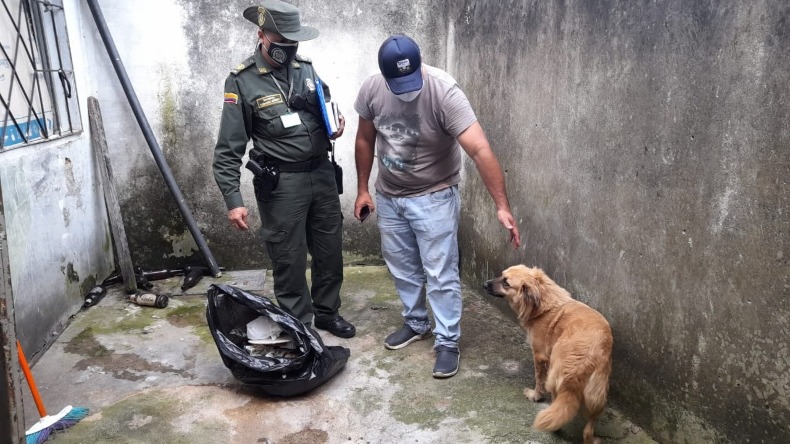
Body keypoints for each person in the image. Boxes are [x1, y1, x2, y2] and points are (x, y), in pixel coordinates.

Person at [353, 34, 521, 378]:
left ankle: (447, 342)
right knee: (401, 266)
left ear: (419, 66)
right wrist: (362, 190)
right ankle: (416, 323)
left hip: (434, 196)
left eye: (410, 79)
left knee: (440, 274)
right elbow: (364, 138)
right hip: (389, 195)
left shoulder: (444, 92)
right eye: (398, 83)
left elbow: (480, 150)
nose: (406, 89)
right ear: (384, 75)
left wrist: (501, 206)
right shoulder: (372, 89)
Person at [213, 0, 355, 338]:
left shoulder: (305, 68)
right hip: (283, 184)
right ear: (262, 36)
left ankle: (327, 312)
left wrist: (334, 124)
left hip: (321, 173)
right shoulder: (242, 81)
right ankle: (299, 324)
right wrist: (233, 199)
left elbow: (325, 105)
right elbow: (228, 147)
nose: (288, 51)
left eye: (293, 44)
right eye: (281, 44)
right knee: (289, 258)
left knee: (329, 251)